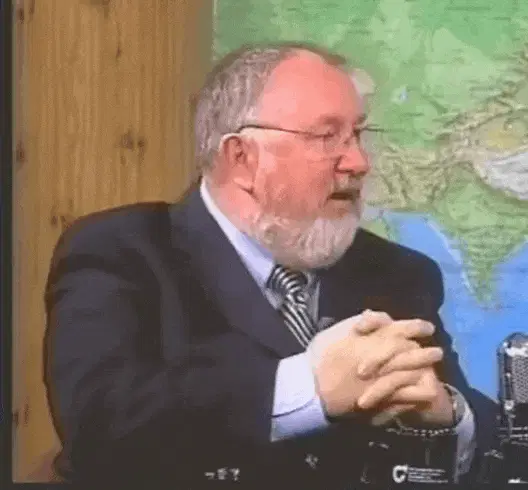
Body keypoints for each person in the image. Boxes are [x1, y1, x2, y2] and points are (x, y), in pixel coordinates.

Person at [43, 42, 497, 487]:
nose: (358, 163)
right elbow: (99, 422)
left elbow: (491, 443)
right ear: (241, 159)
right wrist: (309, 389)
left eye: (357, 135)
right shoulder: (122, 252)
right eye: (327, 137)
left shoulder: (396, 272)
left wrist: (449, 419)